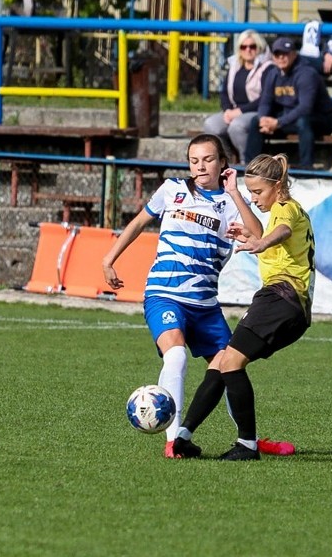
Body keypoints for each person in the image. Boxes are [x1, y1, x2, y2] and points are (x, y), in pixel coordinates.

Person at [102, 134, 293, 459]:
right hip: (165, 294)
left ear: (222, 163)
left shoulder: (232, 202)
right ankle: (174, 441)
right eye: (194, 160)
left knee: (230, 367)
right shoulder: (172, 189)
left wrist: (234, 192)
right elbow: (137, 224)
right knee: (175, 355)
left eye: (207, 159)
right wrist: (109, 259)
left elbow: (259, 236)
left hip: (205, 305)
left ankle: (249, 440)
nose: (200, 166)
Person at [172, 153, 315, 461]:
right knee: (222, 360)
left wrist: (261, 243)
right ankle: (183, 436)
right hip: (285, 303)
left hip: (282, 298)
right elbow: (267, 235)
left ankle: (247, 444)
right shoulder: (277, 209)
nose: (255, 198)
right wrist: (241, 207)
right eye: (251, 192)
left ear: (277, 186)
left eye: (258, 192)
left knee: (231, 362)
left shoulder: (287, 208)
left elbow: (282, 232)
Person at [244, 36, 332, 170]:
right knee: (256, 122)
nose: (281, 57)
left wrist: (278, 122)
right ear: (273, 56)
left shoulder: (307, 73)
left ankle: (306, 167)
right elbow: (265, 102)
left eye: (285, 53)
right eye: (278, 54)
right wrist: (264, 119)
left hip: (321, 118)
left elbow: (305, 107)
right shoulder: (273, 74)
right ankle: (252, 167)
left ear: (294, 54)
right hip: (290, 118)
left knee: (303, 122)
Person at [202, 30, 276, 164]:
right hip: (233, 110)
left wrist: (239, 112)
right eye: (243, 46)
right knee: (211, 124)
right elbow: (224, 92)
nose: (248, 50)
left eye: (252, 46)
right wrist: (227, 110)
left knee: (237, 126)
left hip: (255, 111)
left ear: (259, 48)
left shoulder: (268, 68)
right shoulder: (234, 66)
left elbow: (265, 98)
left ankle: (247, 162)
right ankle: (225, 160)